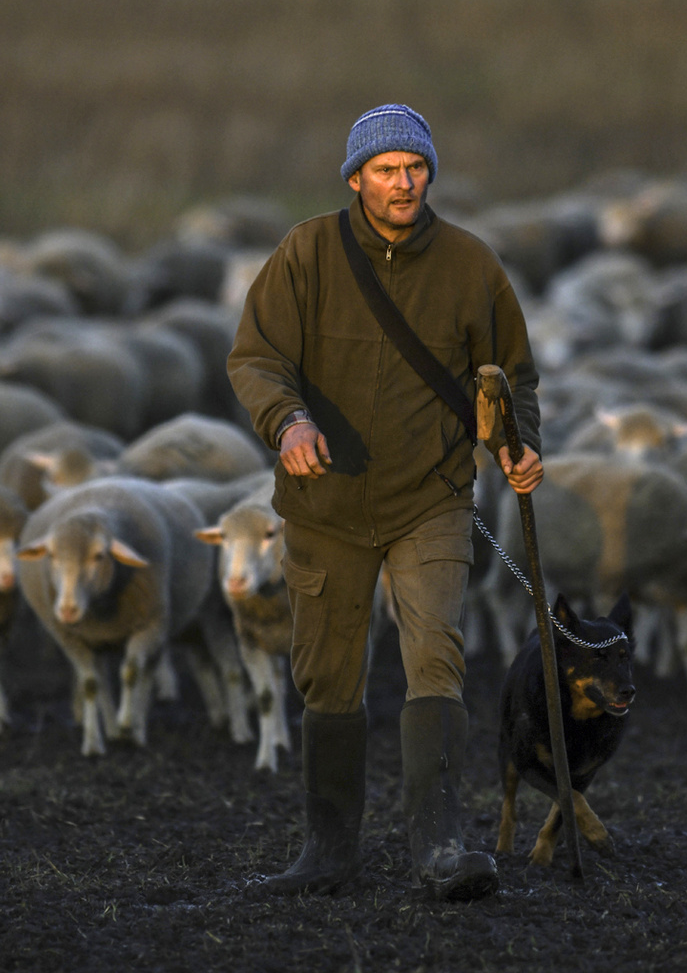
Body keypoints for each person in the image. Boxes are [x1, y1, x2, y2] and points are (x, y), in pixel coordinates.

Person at [228, 104, 543, 900]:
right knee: (327, 676)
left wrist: (518, 443)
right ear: (356, 178)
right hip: (322, 502)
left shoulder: (471, 264)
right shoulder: (307, 252)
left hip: (429, 498)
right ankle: (328, 851)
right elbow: (256, 356)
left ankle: (439, 847)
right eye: (386, 170)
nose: (403, 183)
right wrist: (286, 419)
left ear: (429, 174)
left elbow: (512, 373)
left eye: (415, 168)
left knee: (435, 655)